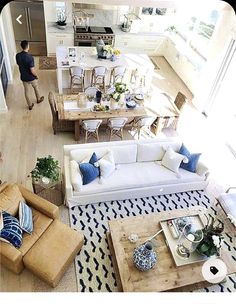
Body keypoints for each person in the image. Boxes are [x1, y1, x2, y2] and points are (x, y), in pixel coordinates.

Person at [16, 40, 44, 110]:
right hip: (31, 78)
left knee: (26, 91)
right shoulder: (30, 58)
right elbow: (32, 70)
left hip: (23, 77)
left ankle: (30, 105)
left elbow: (18, 64)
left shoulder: (17, 55)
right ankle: (38, 99)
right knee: (36, 87)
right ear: (27, 46)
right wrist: (36, 75)